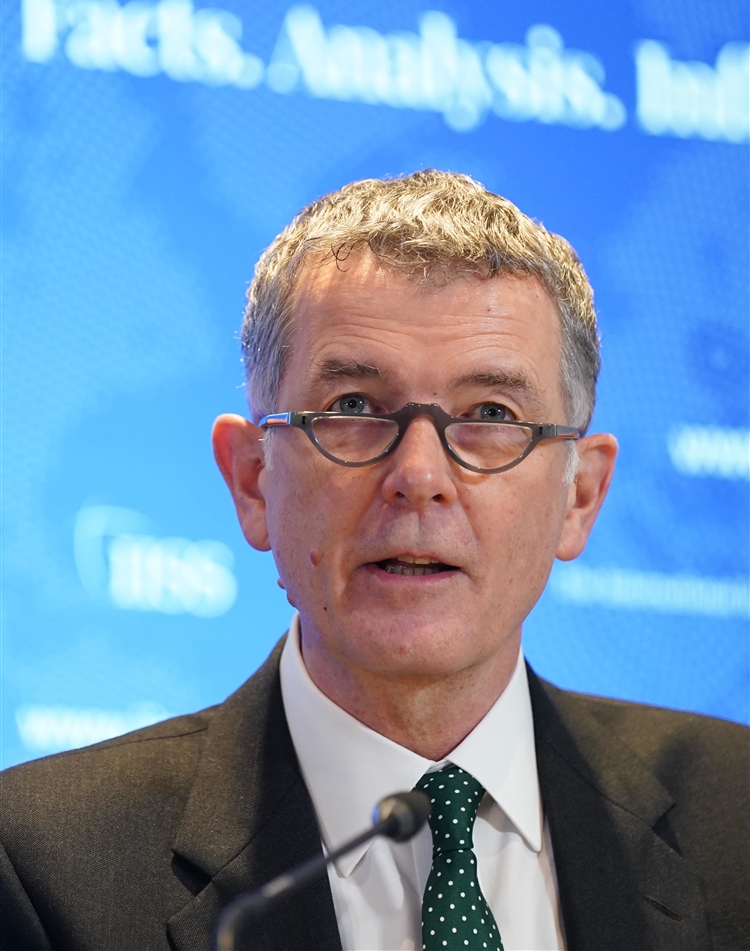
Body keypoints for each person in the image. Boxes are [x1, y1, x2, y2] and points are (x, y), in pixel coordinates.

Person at [1, 171, 747, 951]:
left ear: (580, 496)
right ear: (253, 479)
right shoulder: (47, 869)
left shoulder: (735, 820)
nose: (419, 476)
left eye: (490, 413)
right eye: (353, 406)